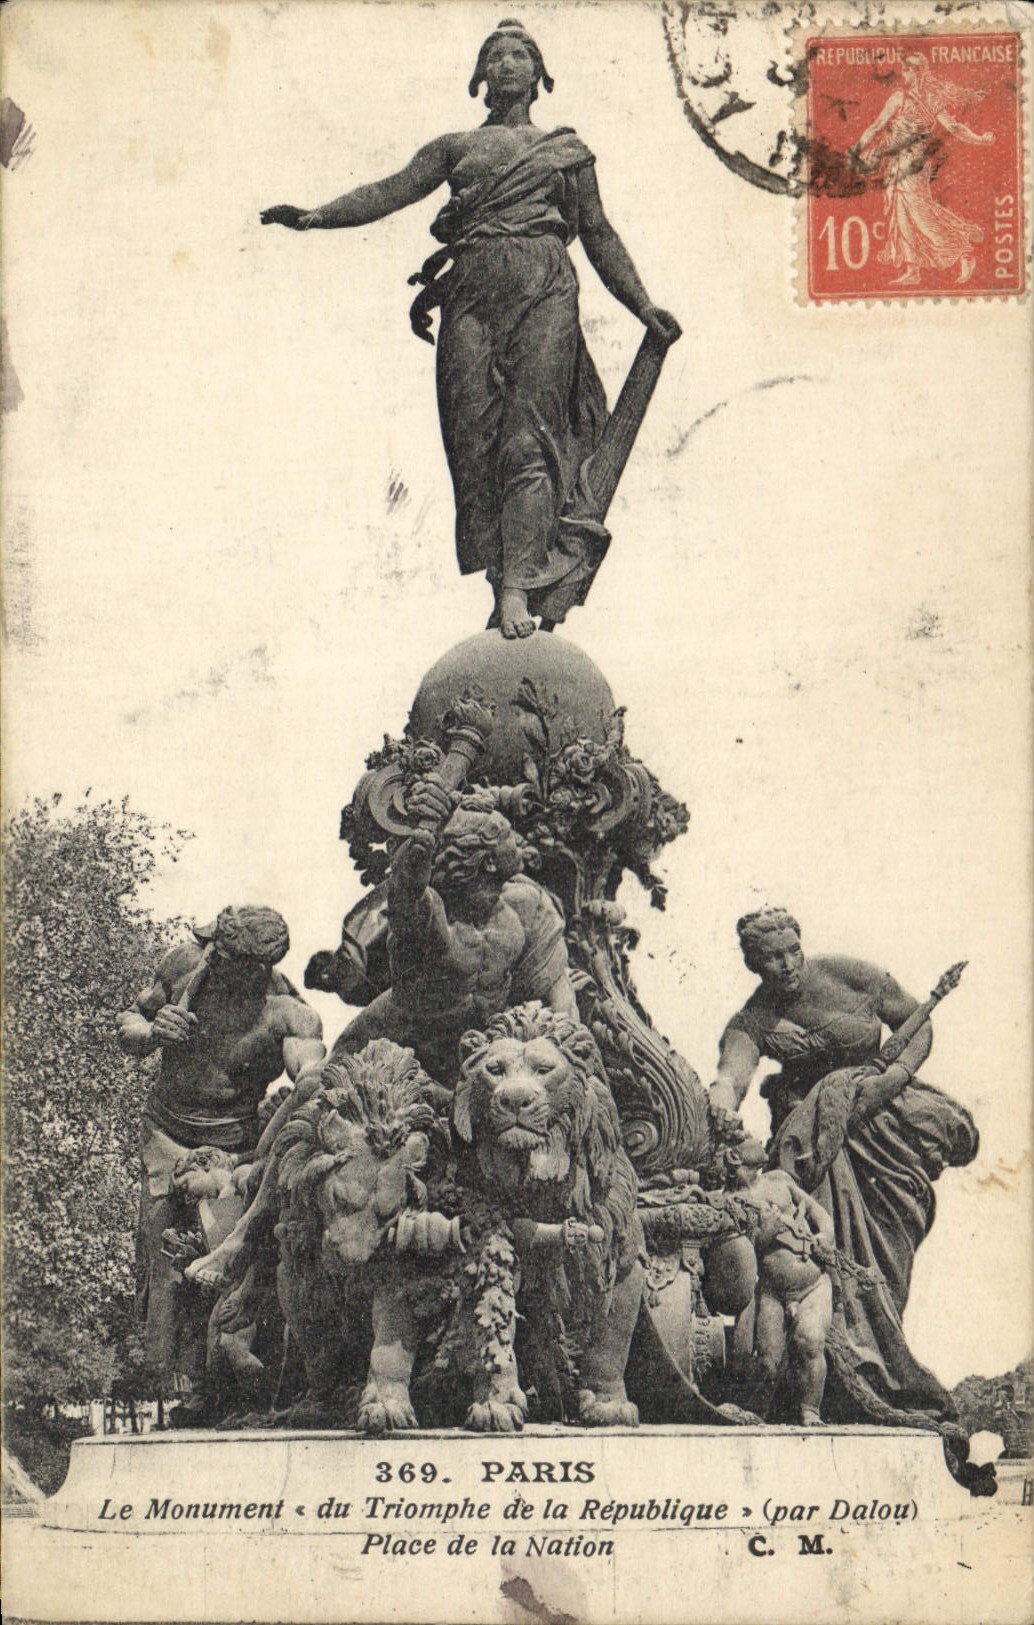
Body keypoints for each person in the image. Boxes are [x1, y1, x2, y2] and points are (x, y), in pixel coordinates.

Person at [261, 18, 680, 638]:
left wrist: (642, 305)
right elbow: (391, 191)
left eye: (521, 54)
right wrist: (317, 217)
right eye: (496, 55)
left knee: (529, 439)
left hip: (544, 289)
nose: (508, 63)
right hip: (472, 297)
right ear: (480, 76)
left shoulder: (565, 151)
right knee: (476, 445)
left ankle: (515, 590)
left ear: (540, 75)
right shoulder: (456, 146)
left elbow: (597, 231)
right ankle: (504, 577)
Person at [709, 908, 979, 1433]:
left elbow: (916, 1025)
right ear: (754, 965)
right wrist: (719, 1101)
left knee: (887, 1255)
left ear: (800, 942)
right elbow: (730, 1074)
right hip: (816, 1145)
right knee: (830, 1257)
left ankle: (878, 1372)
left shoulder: (853, 975)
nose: (786, 964)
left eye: (791, 950)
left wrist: (894, 1076)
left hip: (885, 1124)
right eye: (770, 959)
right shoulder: (753, 1019)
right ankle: (829, 1387)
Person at [116, 906, 325, 1396]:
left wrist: (308, 1079)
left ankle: (226, 1389)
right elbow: (129, 1022)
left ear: (256, 968)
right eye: (213, 951)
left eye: (228, 960)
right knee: (163, 1262)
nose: (213, 962)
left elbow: (310, 1072)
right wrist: (150, 1032)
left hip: (234, 1151)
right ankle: (176, 1384)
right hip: (166, 1136)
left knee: (231, 1265)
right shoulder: (182, 967)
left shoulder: (286, 1011)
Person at [851, 53, 995, 287]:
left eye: (906, 70)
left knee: (919, 211)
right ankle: (912, 269)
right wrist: (856, 150)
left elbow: (954, 127)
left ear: (917, 72)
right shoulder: (899, 97)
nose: (903, 74)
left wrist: (980, 140)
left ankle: (961, 252)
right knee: (901, 212)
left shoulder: (930, 99)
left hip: (915, 164)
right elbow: (877, 125)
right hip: (896, 162)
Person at [729, 1137, 834, 1426]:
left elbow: (817, 1212)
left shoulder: (778, 1180)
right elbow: (738, 1255)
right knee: (767, 1360)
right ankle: (756, 1414)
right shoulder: (729, 1201)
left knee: (810, 1340)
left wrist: (825, 1235)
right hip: (772, 1292)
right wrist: (765, 1235)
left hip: (812, 1284)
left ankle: (811, 1411)